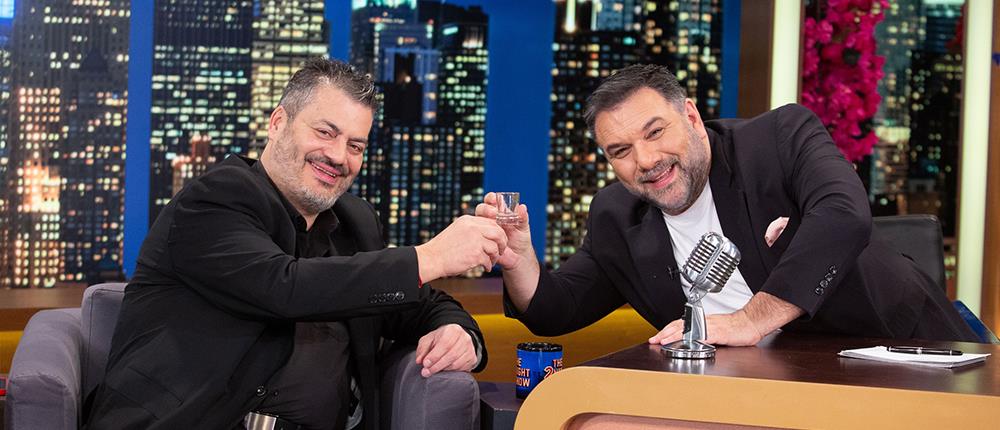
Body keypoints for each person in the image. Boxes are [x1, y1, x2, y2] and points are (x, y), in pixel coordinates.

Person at [85, 58, 508, 429]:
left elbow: (419, 302)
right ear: (278, 123)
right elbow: (283, 286)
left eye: (355, 145)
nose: (338, 156)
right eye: (325, 132)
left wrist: (460, 333)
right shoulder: (216, 199)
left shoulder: (356, 222)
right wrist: (431, 256)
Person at [478, 64, 977, 347]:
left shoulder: (778, 139)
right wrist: (519, 261)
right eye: (621, 151)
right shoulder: (617, 214)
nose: (645, 161)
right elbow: (556, 309)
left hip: (900, 355)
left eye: (656, 132)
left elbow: (843, 215)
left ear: (691, 117)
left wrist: (750, 320)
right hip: (748, 392)